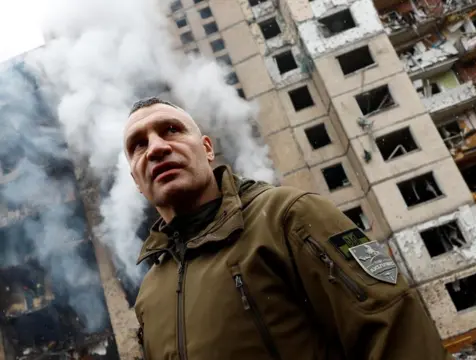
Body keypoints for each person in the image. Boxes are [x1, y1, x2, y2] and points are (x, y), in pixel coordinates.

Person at [123, 97, 449, 360]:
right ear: (136, 180)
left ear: (207, 148)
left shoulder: (288, 217)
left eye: (171, 130)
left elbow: (394, 331)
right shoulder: (150, 296)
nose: (156, 148)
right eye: (138, 145)